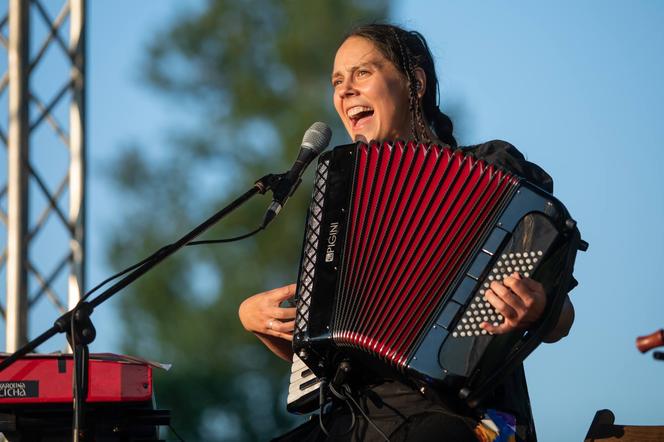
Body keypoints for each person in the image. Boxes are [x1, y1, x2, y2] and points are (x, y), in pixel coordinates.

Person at [239, 23, 575, 442]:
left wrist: (539, 306)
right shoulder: (339, 205)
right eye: (337, 81)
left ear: (414, 83)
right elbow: (322, 363)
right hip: (360, 415)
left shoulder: (492, 172)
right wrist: (261, 324)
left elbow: (563, 319)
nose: (345, 91)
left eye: (362, 73)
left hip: (466, 416)